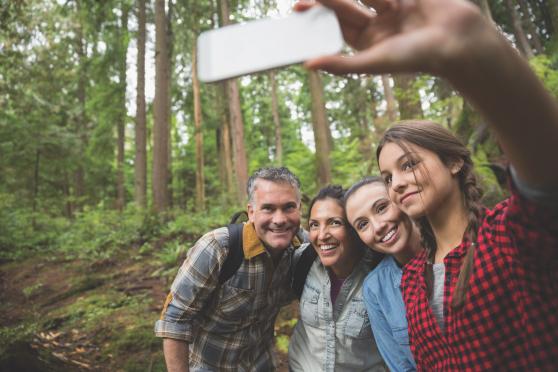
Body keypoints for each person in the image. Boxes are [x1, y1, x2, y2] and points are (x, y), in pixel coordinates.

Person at [295, 0, 558, 369]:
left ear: (453, 160)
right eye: (388, 178)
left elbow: (547, 165)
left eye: (409, 165)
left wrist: (479, 51)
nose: (398, 183)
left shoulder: (509, 233)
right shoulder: (413, 281)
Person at [155, 167, 306, 372]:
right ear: (251, 212)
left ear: (300, 209)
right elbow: (175, 319)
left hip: (262, 364)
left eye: (289, 207)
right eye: (268, 208)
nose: (279, 219)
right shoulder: (218, 248)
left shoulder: (305, 246)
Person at [288, 185, 385, 372]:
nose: (322, 235)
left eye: (334, 222)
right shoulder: (302, 261)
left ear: (354, 227)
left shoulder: (379, 272)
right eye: (315, 224)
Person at [345, 177, 421, 372]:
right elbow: (401, 366)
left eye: (381, 208)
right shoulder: (375, 288)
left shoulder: (454, 248)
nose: (378, 226)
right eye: (362, 224)